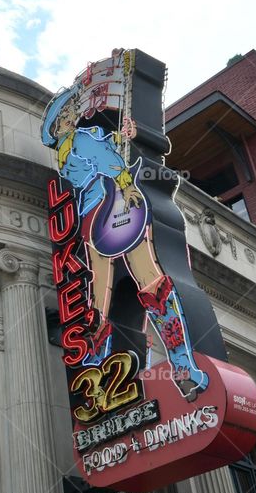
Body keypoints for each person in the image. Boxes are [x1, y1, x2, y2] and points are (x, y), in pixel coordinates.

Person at [42, 52, 208, 400]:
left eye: (71, 108)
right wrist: (127, 181)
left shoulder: (71, 148)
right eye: (67, 112)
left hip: (95, 216)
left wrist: (127, 142)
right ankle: (181, 366)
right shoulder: (81, 140)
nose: (74, 112)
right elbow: (110, 161)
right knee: (149, 281)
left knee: (99, 302)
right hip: (113, 206)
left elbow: (110, 156)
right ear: (58, 126)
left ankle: (99, 382)